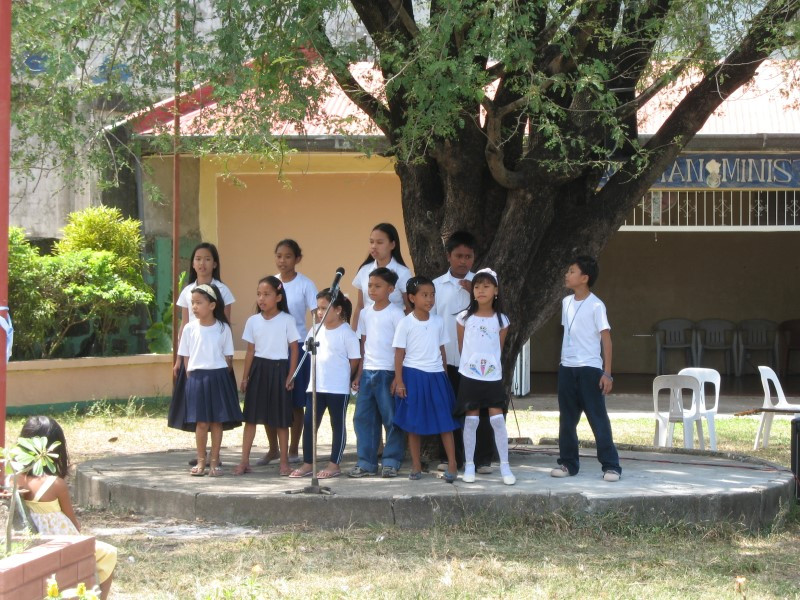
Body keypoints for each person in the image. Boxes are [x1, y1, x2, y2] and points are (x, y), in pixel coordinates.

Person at [16, 416, 117, 599]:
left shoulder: (15, 479)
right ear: (56, 449)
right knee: (109, 553)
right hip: (62, 544)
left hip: (35, 542)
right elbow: (73, 523)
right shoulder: (56, 484)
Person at [550, 256, 621, 482]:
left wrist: (607, 373)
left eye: (572, 271)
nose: (567, 274)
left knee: (597, 418)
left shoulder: (597, 305)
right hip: (567, 368)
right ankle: (568, 463)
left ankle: (611, 466)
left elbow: (606, 340)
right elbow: (568, 333)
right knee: (567, 419)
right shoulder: (566, 302)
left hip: (590, 368)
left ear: (584, 278)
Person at [168, 243, 237, 470]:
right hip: (195, 363)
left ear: (214, 263)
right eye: (197, 258)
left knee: (217, 416)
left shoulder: (222, 290)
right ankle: (201, 456)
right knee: (199, 416)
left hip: (216, 365)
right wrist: (180, 360)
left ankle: (215, 458)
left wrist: (225, 364)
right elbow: (184, 324)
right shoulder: (188, 290)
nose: (202, 263)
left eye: (207, 259)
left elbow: (224, 323)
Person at [432, 230, 495, 475]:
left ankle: (482, 458)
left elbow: (493, 313)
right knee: (448, 407)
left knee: (479, 409)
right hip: (446, 359)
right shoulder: (436, 286)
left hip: (476, 362)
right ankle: (450, 457)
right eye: (458, 256)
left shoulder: (481, 285)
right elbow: (431, 322)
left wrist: (474, 292)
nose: (463, 261)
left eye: (468, 256)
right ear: (448, 256)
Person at [392, 276, 461, 483]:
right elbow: (399, 353)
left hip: (436, 375)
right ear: (412, 298)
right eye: (424, 295)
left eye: (432, 295)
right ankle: (415, 464)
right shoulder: (405, 323)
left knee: (445, 421)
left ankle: (452, 463)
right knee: (413, 422)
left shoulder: (438, 321)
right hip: (413, 375)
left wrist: (444, 375)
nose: (430, 299)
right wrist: (399, 380)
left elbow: (442, 350)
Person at [256, 239, 318, 467]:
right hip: (272, 349)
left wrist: (311, 339)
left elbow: (317, 315)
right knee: (270, 401)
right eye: (279, 256)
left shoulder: (306, 285)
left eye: (288, 256)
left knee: (295, 402)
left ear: (297, 259)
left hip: (298, 347)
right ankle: (273, 448)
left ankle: (292, 449)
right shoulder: (271, 284)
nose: (283, 261)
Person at [289, 289, 361, 479]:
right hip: (315, 386)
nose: (319, 312)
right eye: (318, 308)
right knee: (309, 424)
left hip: (337, 388)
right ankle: (308, 463)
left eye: (324, 308)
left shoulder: (347, 332)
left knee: (337, 424)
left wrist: (346, 376)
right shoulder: (314, 330)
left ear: (338, 309)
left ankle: (334, 464)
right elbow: (308, 354)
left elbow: (355, 359)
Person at [454, 268, 515, 485]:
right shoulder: (464, 317)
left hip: (492, 376)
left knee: (497, 420)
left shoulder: (502, 320)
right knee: (471, 420)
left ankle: (505, 467)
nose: (481, 290)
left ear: (496, 291)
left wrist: (488, 367)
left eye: (486, 286)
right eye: (477, 286)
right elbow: (462, 347)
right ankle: (470, 464)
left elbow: (498, 348)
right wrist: (472, 366)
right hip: (470, 375)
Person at [174, 283, 243, 477]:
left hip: (218, 377)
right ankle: (201, 461)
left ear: (212, 305)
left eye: (199, 303)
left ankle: (215, 462)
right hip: (196, 378)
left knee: (217, 422)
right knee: (201, 423)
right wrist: (190, 376)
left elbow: (228, 357)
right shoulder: (189, 329)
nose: (194, 307)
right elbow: (186, 356)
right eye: (192, 303)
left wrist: (220, 375)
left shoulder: (222, 328)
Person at [235, 276, 300, 476]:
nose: (261, 299)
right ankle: (244, 461)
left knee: (281, 420)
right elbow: (250, 351)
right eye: (258, 294)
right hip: (258, 369)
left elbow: (294, 349)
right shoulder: (253, 321)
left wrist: (291, 375)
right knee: (251, 418)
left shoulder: (287, 320)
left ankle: (284, 463)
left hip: (279, 369)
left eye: (266, 294)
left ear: (278, 297)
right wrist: (245, 377)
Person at [349, 267, 406, 478]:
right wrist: (358, 374)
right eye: (370, 285)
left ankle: (391, 461)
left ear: (390, 289)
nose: (372, 290)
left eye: (378, 286)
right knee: (363, 417)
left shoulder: (396, 314)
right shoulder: (365, 313)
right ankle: (366, 462)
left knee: (390, 418)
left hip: (388, 372)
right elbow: (364, 345)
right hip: (368, 372)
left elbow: (402, 348)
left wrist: (398, 377)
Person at [351, 223, 413, 330]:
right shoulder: (364, 270)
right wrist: (354, 332)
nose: (374, 246)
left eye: (379, 242)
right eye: (371, 242)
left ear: (392, 245)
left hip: (392, 332)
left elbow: (409, 307)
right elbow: (360, 306)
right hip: (367, 332)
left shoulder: (403, 272)